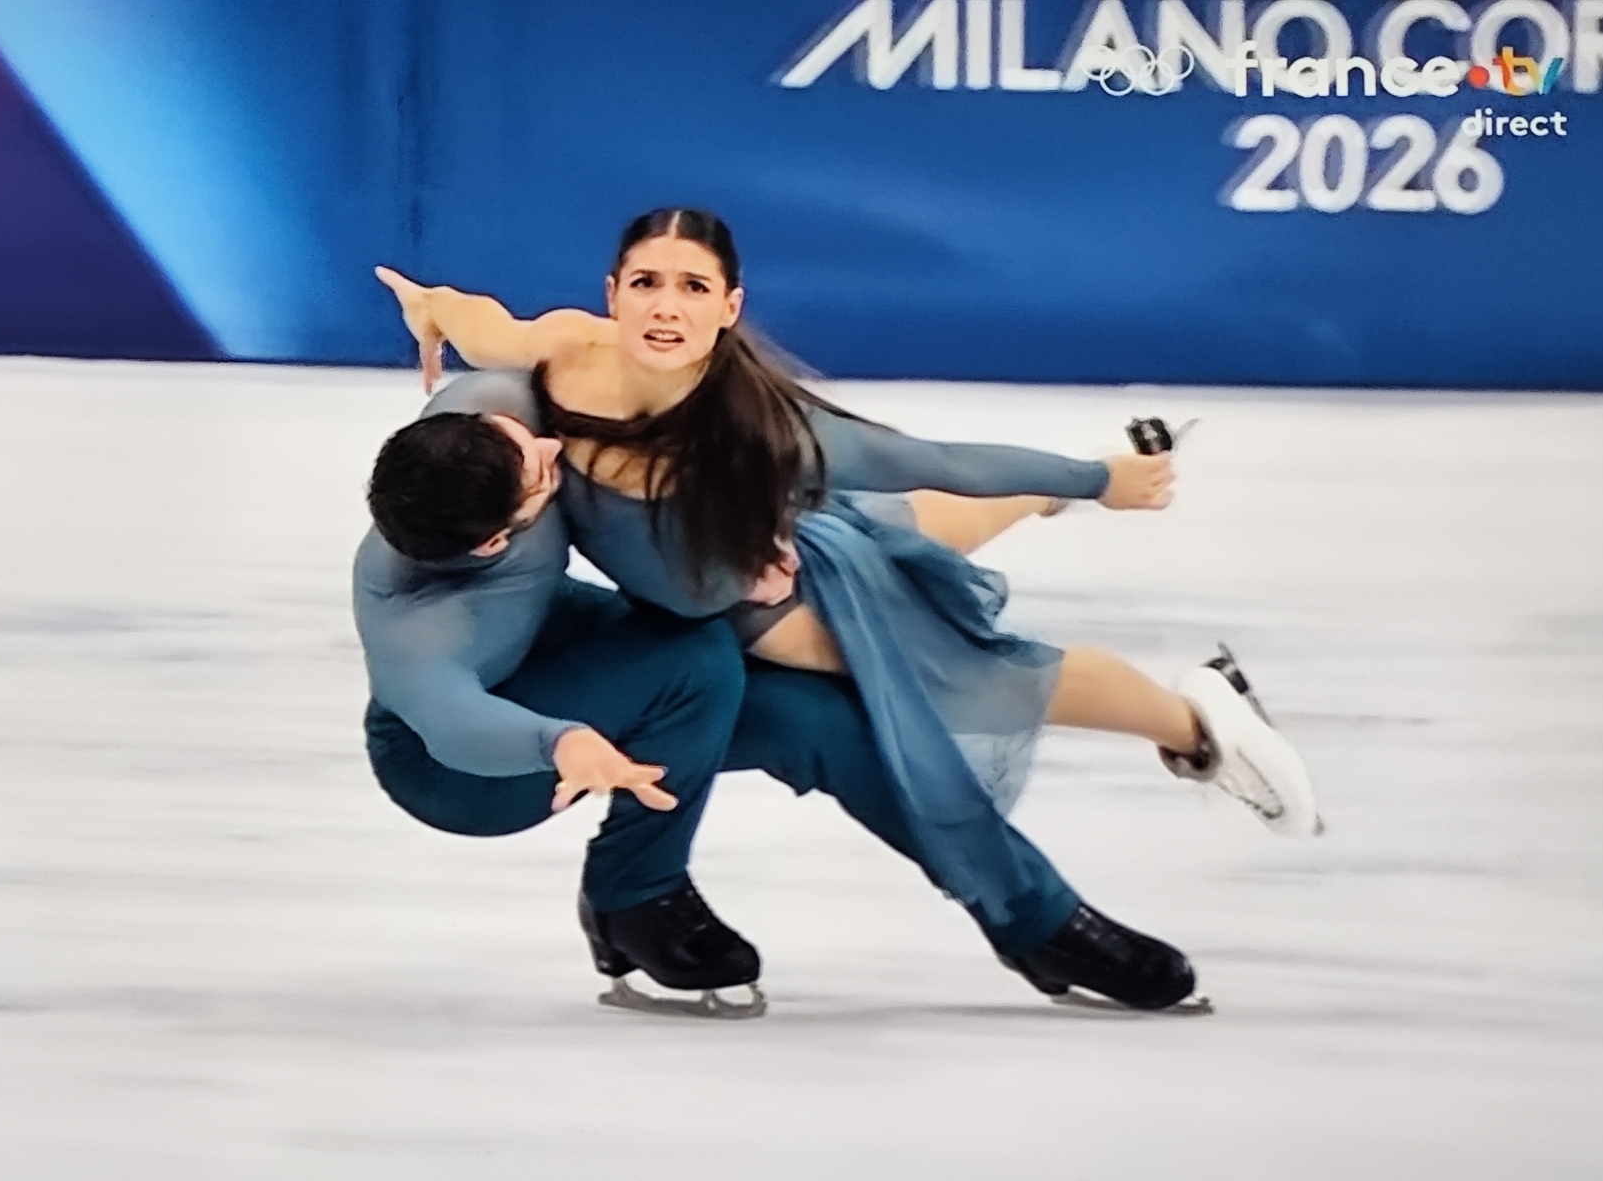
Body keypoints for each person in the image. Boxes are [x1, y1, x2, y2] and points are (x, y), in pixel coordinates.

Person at [360, 370, 1207, 1015]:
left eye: (522, 438)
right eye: (540, 473)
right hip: (469, 778)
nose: (556, 450)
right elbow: (452, 726)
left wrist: (731, 538)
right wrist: (560, 743)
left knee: (823, 721)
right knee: (698, 659)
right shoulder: (421, 629)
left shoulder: (493, 410)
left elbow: (530, 343)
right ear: (492, 544)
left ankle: (1036, 918)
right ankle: (637, 895)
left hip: (576, 658)